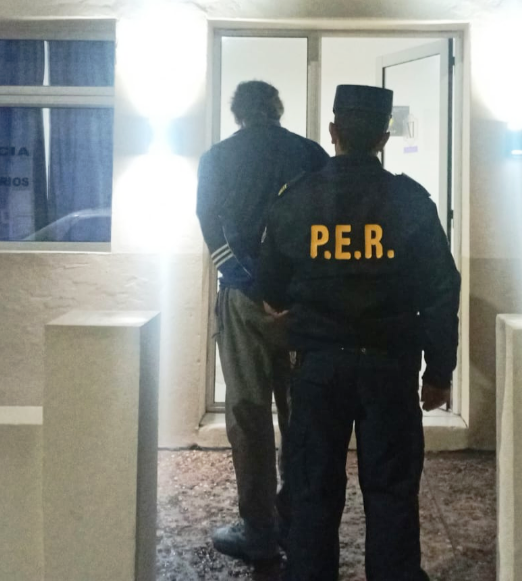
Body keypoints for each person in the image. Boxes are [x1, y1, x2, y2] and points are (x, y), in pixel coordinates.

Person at [256, 85, 461, 580]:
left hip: (319, 371)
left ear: (333, 132)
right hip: (390, 368)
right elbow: (441, 290)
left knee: (312, 490)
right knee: (392, 491)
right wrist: (439, 372)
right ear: (383, 138)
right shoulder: (411, 202)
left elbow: (270, 287)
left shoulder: (296, 199)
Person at [196, 80, 329, 561]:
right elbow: (327, 223)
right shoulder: (311, 154)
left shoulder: (217, 157)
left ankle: (258, 528)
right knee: (302, 415)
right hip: (300, 303)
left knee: (249, 413)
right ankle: (297, 521)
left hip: (244, 300)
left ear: (237, 114)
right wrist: (298, 285)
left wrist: (248, 280)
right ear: (278, 109)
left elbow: (210, 224)